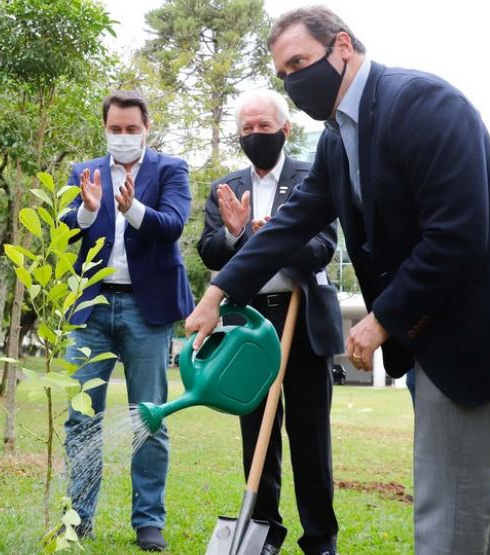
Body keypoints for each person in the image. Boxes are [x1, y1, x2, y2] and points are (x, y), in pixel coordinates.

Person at [184, 7, 490, 554]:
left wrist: (381, 319)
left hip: (481, 331)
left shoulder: (421, 104)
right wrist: (216, 293)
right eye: (283, 75)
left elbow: (459, 234)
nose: (294, 83)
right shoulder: (336, 140)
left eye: (300, 63)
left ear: (342, 46)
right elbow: (290, 227)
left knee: (447, 509)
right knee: (463, 503)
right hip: (431, 336)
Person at [197, 89, 342, 555]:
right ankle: (264, 531)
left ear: (285, 129)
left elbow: (323, 246)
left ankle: (319, 538)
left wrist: (277, 236)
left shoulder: (311, 177)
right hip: (250, 327)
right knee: (256, 433)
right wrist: (237, 233)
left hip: (301, 322)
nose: (254, 135)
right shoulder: (226, 185)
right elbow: (208, 251)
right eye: (246, 129)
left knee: (310, 438)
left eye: (263, 127)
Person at [60, 90, 194, 552]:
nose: (122, 136)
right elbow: (65, 226)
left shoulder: (171, 169)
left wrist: (130, 209)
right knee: (80, 418)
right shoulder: (85, 171)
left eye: (130, 129)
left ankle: (148, 521)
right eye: (114, 129)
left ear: (146, 128)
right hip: (91, 307)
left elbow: (173, 224)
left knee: (151, 418)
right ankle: (77, 518)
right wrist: (89, 209)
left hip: (148, 307)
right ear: (105, 128)